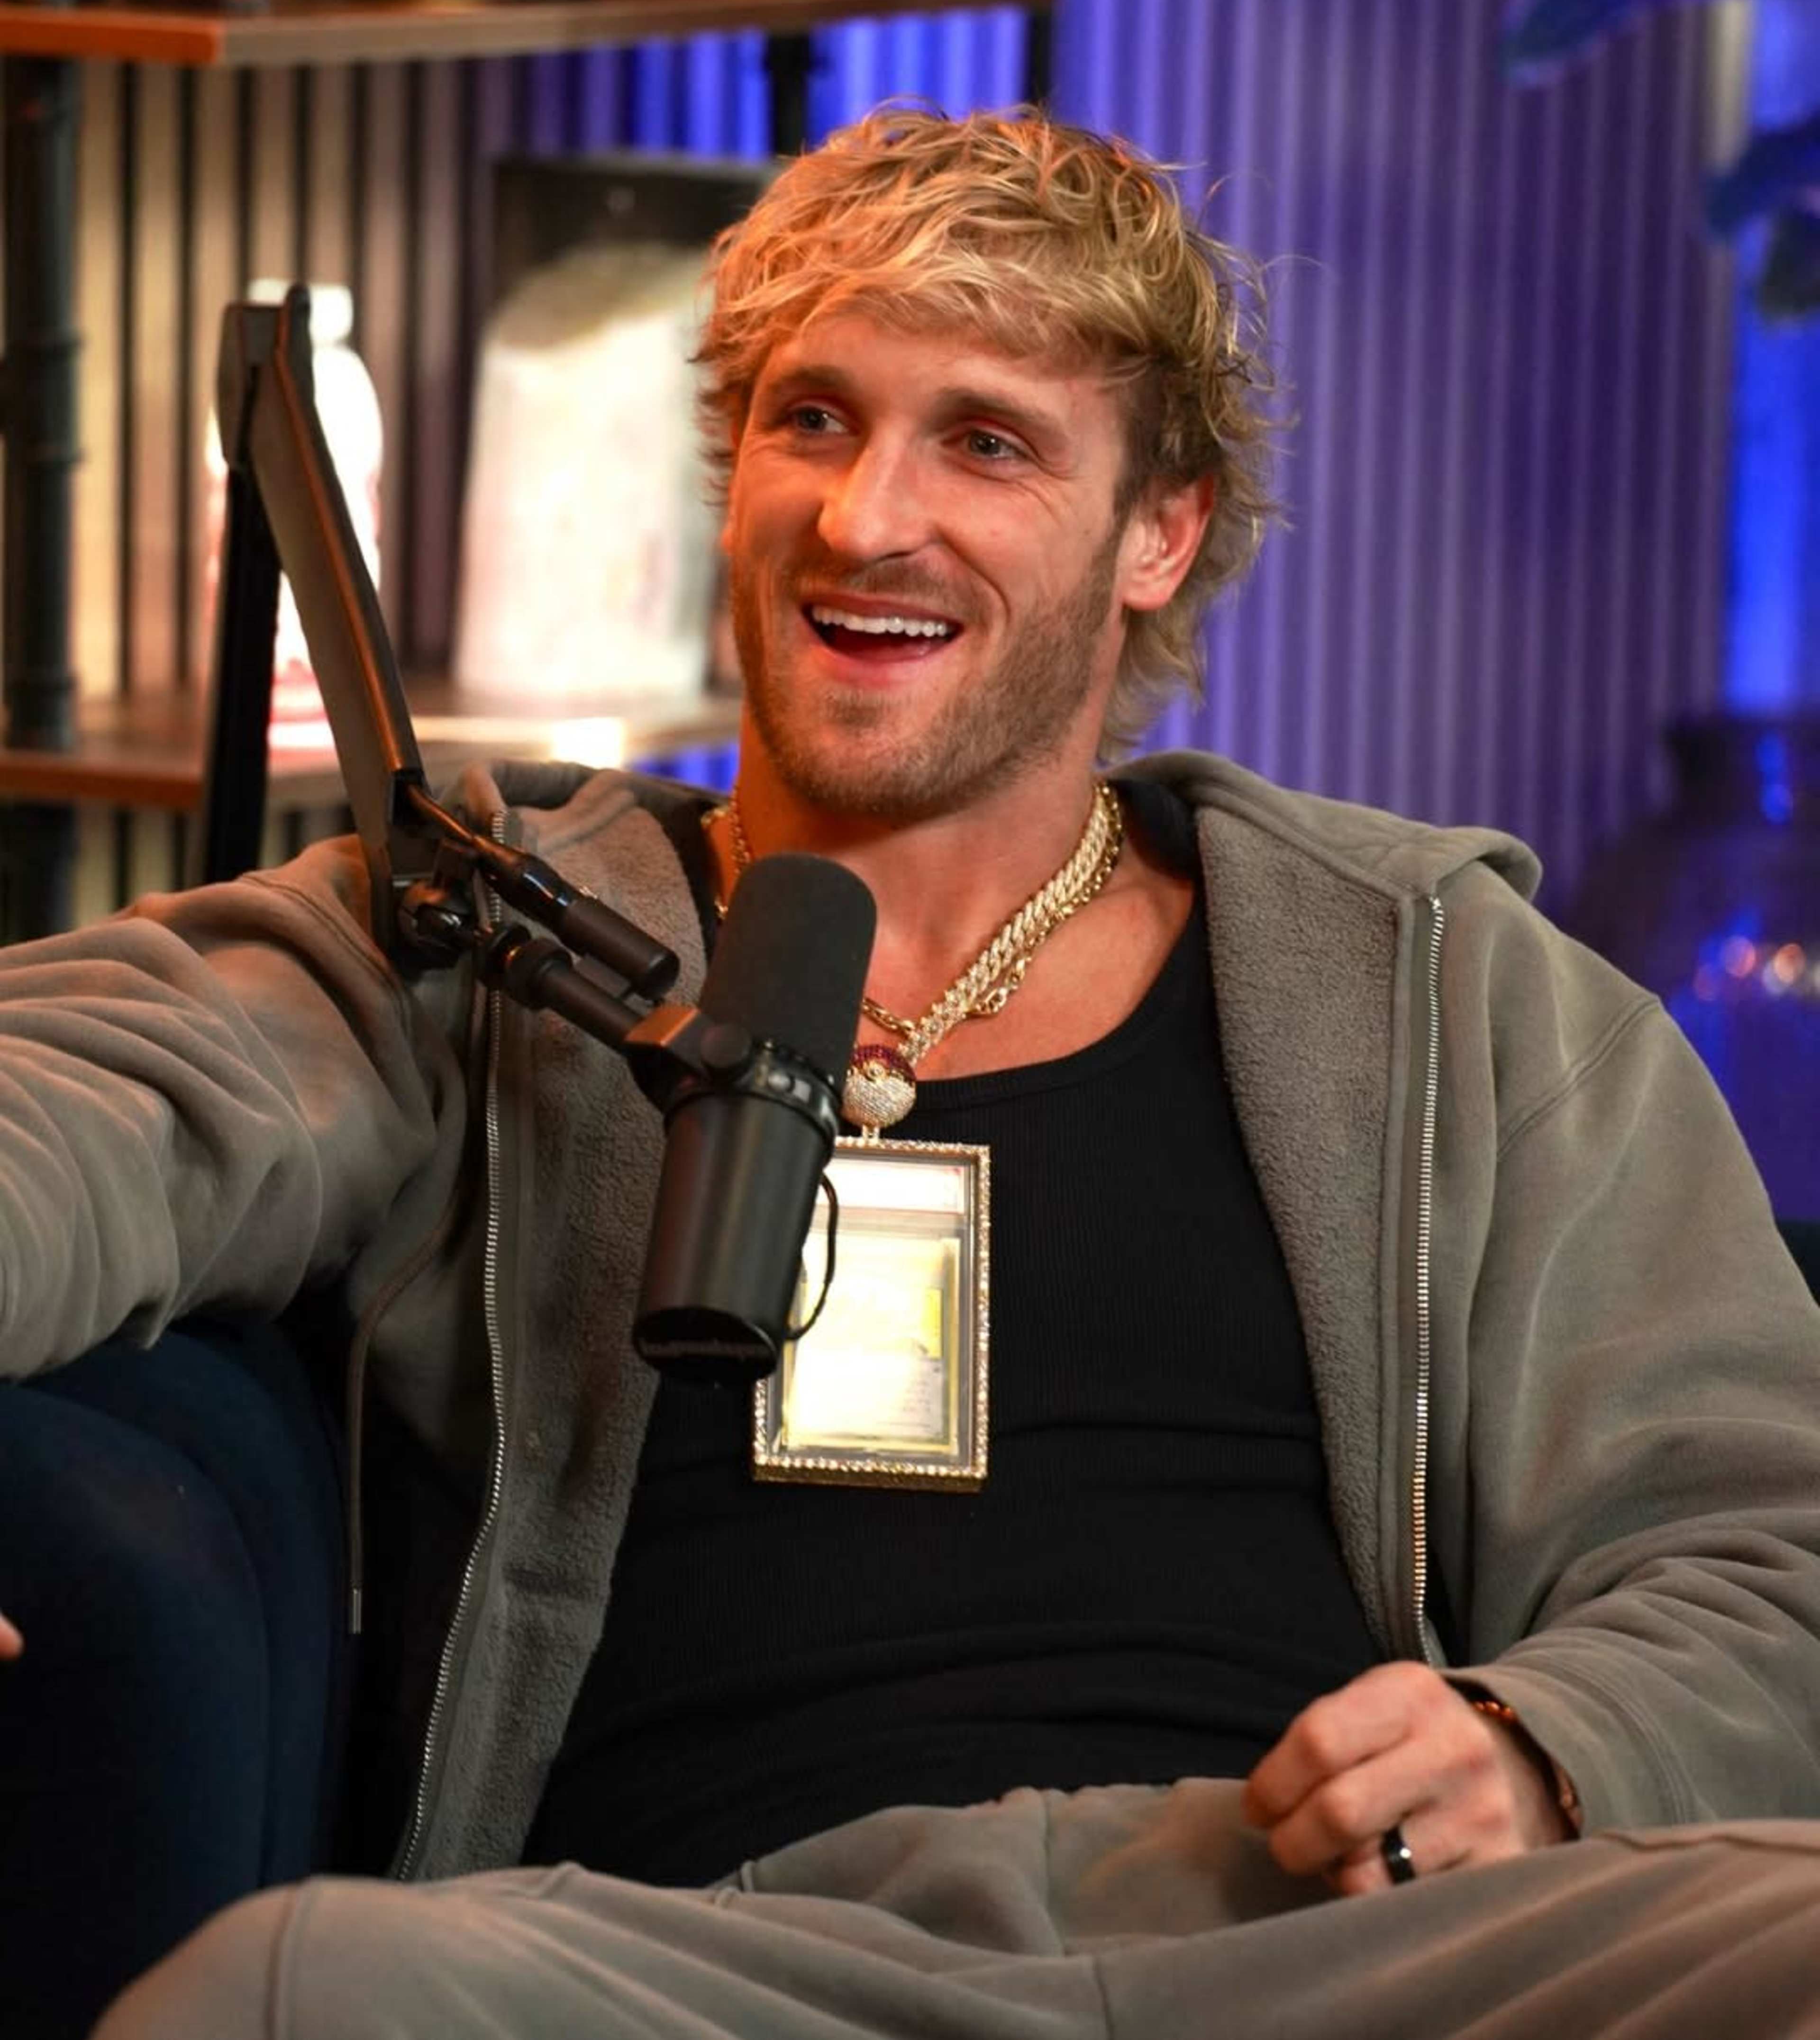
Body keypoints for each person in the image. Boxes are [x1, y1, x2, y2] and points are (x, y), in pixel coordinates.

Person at [1, 105, 1818, 2040]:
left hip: (1329, 1946)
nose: (869, 519)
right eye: (813, 419)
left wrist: (1552, 1746)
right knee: (288, 1991)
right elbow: (83, 1094)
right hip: (705, 1974)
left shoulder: (1447, 989)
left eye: (988, 442)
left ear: (1161, 530)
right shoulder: (490, 927)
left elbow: (1769, 1544)